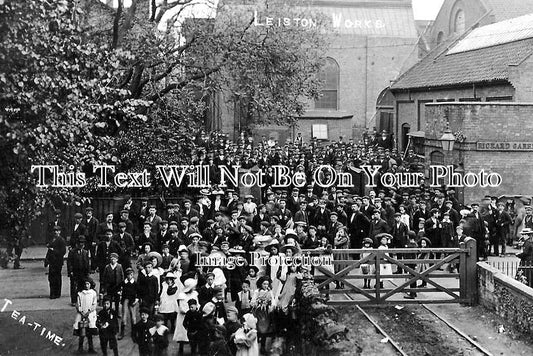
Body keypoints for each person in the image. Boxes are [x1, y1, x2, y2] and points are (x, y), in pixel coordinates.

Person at [173, 278, 199, 355]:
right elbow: (182, 308)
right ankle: (181, 348)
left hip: (193, 316)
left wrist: (196, 310)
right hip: (183, 316)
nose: (194, 288)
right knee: (183, 333)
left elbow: (197, 303)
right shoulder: (182, 295)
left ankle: (193, 349)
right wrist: (189, 312)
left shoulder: (195, 294)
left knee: (193, 333)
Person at [251, 276, 276, 354]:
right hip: (258, 313)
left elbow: (273, 302)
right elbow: (253, 301)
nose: (266, 286)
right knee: (258, 329)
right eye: (264, 284)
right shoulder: (257, 291)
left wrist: (270, 305)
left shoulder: (270, 292)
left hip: (266, 314)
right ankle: (255, 346)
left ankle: (263, 346)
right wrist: (257, 303)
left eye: (267, 284)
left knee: (265, 330)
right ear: (261, 284)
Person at [73, 278, 98, 354]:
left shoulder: (93, 293)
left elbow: (94, 304)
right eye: (85, 284)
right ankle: (80, 348)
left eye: (88, 284)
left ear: (91, 284)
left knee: (89, 332)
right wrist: (81, 311)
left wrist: (89, 311)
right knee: (81, 332)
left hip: (90, 315)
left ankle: (91, 348)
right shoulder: (80, 293)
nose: (86, 286)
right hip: (81, 315)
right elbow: (78, 304)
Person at [67, 236, 90, 306]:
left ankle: (81, 300)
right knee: (74, 286)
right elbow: (69, 262)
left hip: (83, 272)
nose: (81, 244)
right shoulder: (72, 252)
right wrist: (70, 271)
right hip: (75, 272)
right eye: (80, 243)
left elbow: (87, 263)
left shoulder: (85, 252)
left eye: (82, 243)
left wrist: (87, 272)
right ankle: (74, 300)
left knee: (82, 286)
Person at [46, 225, 67, 299]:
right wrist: (47, 260)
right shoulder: (52, 239)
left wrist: (54, 250)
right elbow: (48, 250)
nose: (55, 232)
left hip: (58, 261)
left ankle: (57, 293)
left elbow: (63, 252)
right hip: (52, 261)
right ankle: (52, 293)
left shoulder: (61, 240)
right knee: (51, 278)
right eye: (54, 231)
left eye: (57, 231)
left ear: (60, 232)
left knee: (57, 277)